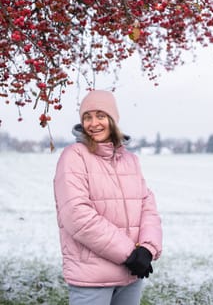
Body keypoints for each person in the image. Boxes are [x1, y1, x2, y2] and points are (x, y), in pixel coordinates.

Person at [54, 90, 162, 305]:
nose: (93, 123)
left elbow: (147, 207)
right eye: (87, 117)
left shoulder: (130, 160)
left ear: (113, 119)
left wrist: (148, 249)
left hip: (131, 275)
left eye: (100, 115)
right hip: (91, 277)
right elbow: (78, 216)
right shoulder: (73, 156)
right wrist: (130, 254)